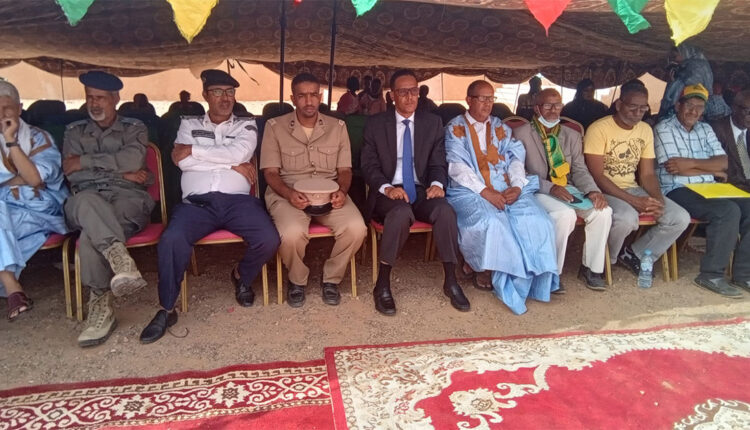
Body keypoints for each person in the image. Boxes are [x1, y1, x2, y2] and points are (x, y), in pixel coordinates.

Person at [139, 70, 280, 344]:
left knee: (269, 238)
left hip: (238, 202)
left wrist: (195, 151)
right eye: (217, 92)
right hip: (197, 204)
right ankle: (167, 308)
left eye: (230, 92)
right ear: (205, 95)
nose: (225, 98)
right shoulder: (188, 124)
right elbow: (181, 161)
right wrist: (232, 164)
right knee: (171, 239)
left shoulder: (247, 125)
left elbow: (239, 152)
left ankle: (241, 276)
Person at [361, 69, 469, 315]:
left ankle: (451, 280)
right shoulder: (376, 124)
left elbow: (438, 163)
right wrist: (388, 188)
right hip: (388, 192)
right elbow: (368, 165)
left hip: (420, 190)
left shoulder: (432, 123)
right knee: (400, 213)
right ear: (392, 96)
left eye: (414, 91)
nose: (410, 97)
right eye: (403, 92)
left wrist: (437, 184)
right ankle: (383, 284)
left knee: (445, 211)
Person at [445, 81, 559, 314]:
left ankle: (535, 278)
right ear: (469, 100)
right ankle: (486, 268)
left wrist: (516, 186)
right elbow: (457, 167)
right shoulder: (455, 127)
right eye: (482, 98)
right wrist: (485, 192)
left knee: (538, 220)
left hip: (507, 186)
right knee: (493, 221)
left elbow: (516, 158)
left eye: (491, 98)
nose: (488, 104)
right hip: (469, 189)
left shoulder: (501, 127)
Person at [63, 71, 154, 347]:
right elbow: (71, 173)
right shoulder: (74, 131)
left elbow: (133, 159)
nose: (94, 103)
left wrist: (86, 161)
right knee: (87, 202)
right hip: (86, 198)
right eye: (90, 97)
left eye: (100, 98)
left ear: (115, 98)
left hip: (127, 198)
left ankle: (100, 304)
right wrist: (120, 172)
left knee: (91, 234)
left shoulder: (134, 128)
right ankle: (121, 261)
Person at [261, 73, 366, 307]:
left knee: (356, 228)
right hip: (288, 192)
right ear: (293, 98)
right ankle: (297, 280)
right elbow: (270, 173)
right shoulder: (275, 127)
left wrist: (342, 191)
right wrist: (289, 194)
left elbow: (345, 170)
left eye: (313, 95)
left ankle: (332, 279)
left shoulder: (337, 127)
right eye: (302, 96)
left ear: (320, 96)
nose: (308, 101)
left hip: (329, 193)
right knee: (290, 233)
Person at [584, 83, 690, 281]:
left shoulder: (645, 130)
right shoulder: (598, 129)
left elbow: (647, 174)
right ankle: (606, 261)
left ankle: (634, 253)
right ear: (618, 105)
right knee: (626, 218)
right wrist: (634, 201)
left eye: (643, 108)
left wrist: (658, 200)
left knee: (679, 218)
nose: (638, 113)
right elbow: (597, 176)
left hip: (632, 188)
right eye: (633, 107)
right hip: (604, 189)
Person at [655, 84, 748, 297]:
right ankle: (711, 275)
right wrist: (710, 167)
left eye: (699, 106)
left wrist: (690, 164)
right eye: (689, 105)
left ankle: (744, 274)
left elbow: (723, 162)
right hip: (678, 188)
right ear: (678, 105)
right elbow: (674, 168)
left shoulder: (705, 129)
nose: (694, 111)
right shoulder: (664, 128)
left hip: (709, 187)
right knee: (728, 211)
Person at [516, 88, 612, 291]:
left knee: (603, 211)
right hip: (537, 189)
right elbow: (518, 174)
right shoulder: (521, 134)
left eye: (557, 105)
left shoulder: (571, 135)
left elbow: (579, 169)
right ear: (537, 108)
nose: (553, 110)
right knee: (564, 215)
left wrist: (592, 190)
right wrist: (551, 187)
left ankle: (591, 269)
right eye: (547, 106)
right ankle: (552, 273)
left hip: (568, 189)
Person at [0, 79, 68, 320]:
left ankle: (10, 286)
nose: (1, 115)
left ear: (19, 108)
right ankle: (13, 287)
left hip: (40, 210)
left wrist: (11, 142)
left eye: (6, 108)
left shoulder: (39, 138)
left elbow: (35, 178)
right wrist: (17, 179)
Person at [659, 44, 731, 121]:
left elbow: (691, 85)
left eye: (675, 56)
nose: (674, 59)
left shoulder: (697, 67)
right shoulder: (683, 67)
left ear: (684, 53)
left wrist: (675, 82)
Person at [710, 90, 750, 192]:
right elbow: (716, 172)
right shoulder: (715, 130)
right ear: (734, 108)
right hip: (730, 189)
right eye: (748, 111)